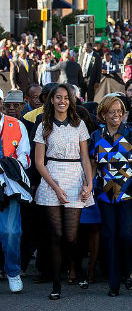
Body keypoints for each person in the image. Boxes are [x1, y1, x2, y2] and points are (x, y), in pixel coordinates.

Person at [33, 84, 93, 300]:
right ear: (51, 100)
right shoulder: (44, 125)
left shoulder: (79, 124)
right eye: (58, 97)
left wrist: (89, 183)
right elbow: (39, 162)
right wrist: (55, 187)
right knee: (56, 235)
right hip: (51, 178)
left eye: (66, 98)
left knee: (71, 236)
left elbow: (86, 157)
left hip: (75, 176)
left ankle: (78, 268)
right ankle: (56, 284)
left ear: (71, 100)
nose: (62, 101)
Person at [89, 96, 132, 296]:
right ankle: (113, 282)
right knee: (108, 235)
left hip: (128, 191)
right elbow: (92, 165)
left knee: (125, 233)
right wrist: (88, 186)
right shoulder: (95, 136)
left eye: (119, 112)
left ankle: (129, 271)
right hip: (104, 193)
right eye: (112, 112)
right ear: (103, 114)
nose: (116, 115)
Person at [0, 89, 31, 293]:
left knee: (10, 232)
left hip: (9, 186)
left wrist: (5, 167)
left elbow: (25, 157)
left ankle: (12, 272)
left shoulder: (17, 125)